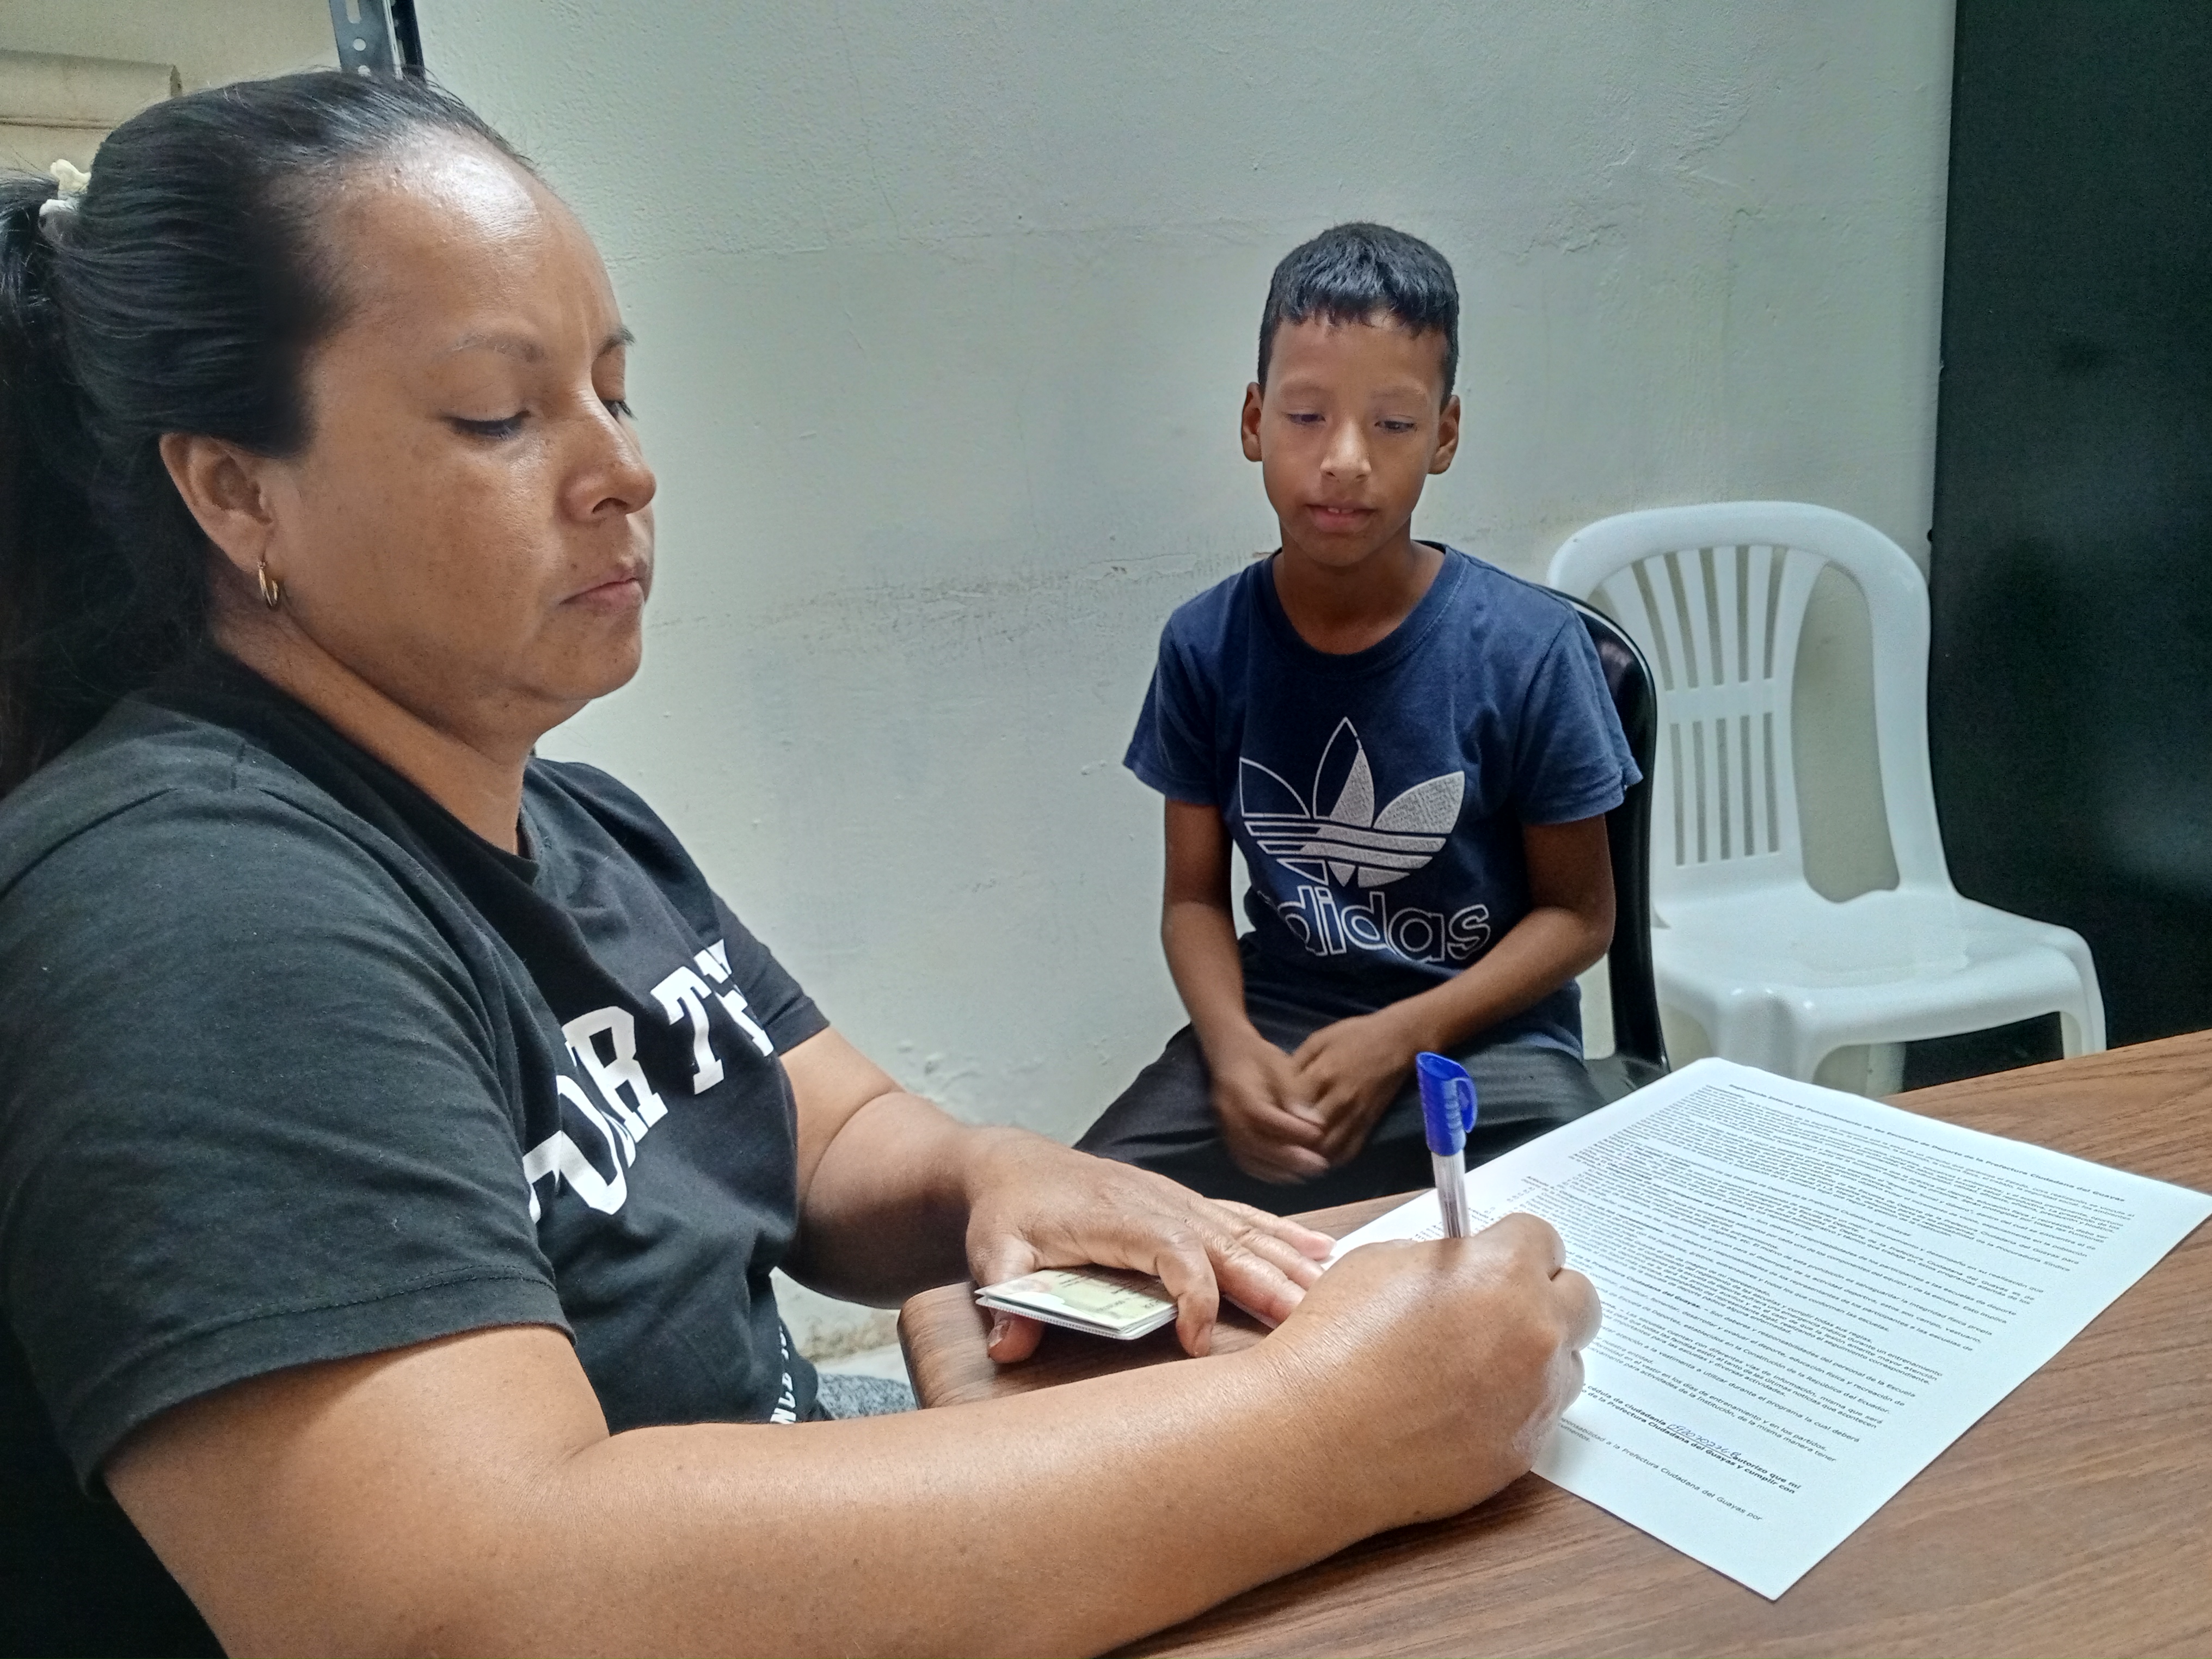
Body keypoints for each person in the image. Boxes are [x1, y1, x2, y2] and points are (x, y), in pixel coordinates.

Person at [0, 76, 1599, 1659]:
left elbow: (826, 1133)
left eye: (614, 392)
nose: (621, 471)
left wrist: (989, 1168)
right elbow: (468, 1598)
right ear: (234, 489)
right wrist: (1334, 1423)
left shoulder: (581, 822)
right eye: (499, 413)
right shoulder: (193, 907)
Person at [1078, 224, 1640, 1213]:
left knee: (1571, 1232)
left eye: (1393, 424)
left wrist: (1405, 1035)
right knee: (1081, 1224)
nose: (1344, 460)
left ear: (1445, 435)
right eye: (1306, 415)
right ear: (1254, 421)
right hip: (1280, 1030)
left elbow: (1579, 918)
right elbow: (1194, 900)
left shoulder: (1531, 650)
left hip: (1486, 1041)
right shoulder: (1206, 644)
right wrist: (1231, 1046)